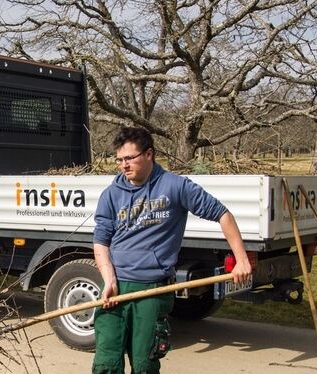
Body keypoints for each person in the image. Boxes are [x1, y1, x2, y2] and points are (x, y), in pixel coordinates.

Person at [92, 127, 252, 374]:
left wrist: (241, 260)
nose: (124, 165)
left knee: (144, 364)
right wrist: (109, 279)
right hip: (115, 290)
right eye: (119, 160)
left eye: (130, 158)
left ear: (149, 154)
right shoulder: (111, 195)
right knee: (106, 364)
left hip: (153, 289)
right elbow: (101, 241)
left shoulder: (175, 187)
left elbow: (223, 215)